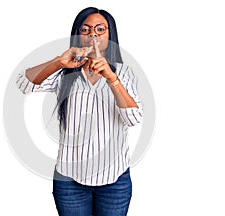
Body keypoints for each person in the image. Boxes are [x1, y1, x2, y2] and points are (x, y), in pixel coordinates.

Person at [16, 7, 143, 216]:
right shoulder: (65, 72)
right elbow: (24, 82)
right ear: (77, 36)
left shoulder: (123, 72)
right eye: (85, 30)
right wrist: (59, 61)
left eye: (100, 29)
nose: (93, 35)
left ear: (110, 34)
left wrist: (111, 78)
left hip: (115, 181)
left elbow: (133, 118)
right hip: (70, 181)